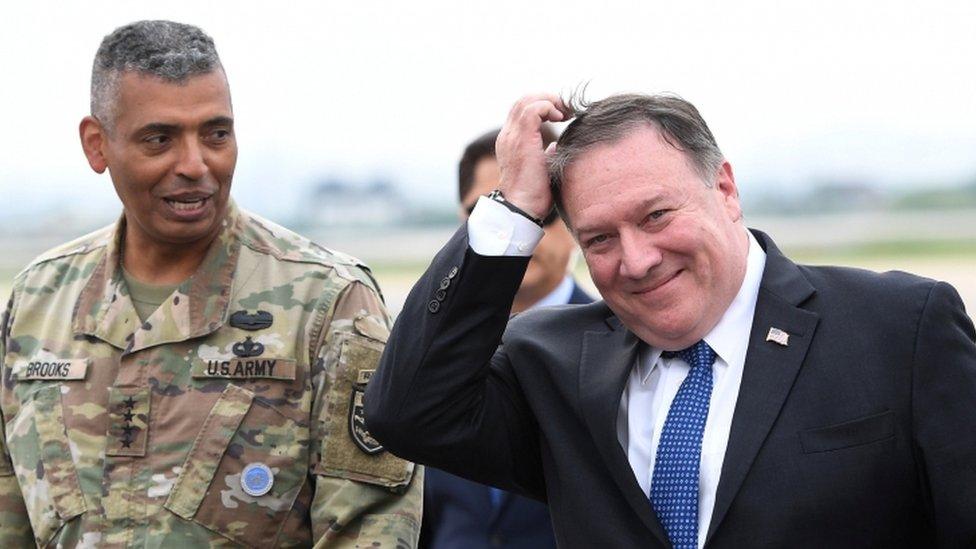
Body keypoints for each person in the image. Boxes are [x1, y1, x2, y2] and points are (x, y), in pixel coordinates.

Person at [365, 92, 976, 548]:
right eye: (600, 238)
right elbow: (408, 411)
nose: (636, 260)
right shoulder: (551, 363)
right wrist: (512, 210)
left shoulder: (901, 330)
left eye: (656, 215)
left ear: (726, 189)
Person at [0, 20, 421, 547]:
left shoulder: (328, 303)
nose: (196, 165)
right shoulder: (39, 301)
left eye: (216, 134)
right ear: (97, 145)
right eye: (160, 139)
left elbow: (369, 530)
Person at [420, 128, 591, 549]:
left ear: (571, 219)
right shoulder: (427, 349)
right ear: (464, 223)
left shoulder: (622, 346)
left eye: (540, 212)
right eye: (494, 211)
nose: (519, 229)